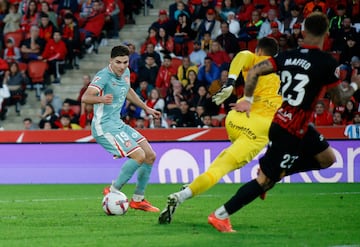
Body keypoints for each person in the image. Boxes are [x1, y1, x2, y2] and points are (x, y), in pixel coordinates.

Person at [207, 12, 360, 232]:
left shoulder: (288, 56)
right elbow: (340, 99)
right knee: (264, 181)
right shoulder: (327, 62)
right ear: (327, 33)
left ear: (303, 32)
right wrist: (355, 85)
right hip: (290, 130)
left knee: (328, 159)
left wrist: (248, 100)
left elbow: (255, 72)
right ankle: (220, 215)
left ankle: (276, 173)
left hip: (293, 124)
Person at [158, 37, 282, 224]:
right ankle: (183, 194)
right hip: (259, 129)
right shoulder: (279, 78)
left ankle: (184, 192)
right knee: (222, 168)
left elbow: (242, 55)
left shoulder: (253, 60)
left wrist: (231, 82)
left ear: (258, 50)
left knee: (221, 164)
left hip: (235, 117)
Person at [81, 45, 161, 212]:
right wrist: (102, 99)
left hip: (118, 123)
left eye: (125, 62)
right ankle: (113, 190)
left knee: (150, 155)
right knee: (139, 155)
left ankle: (138, 200)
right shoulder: (103, 76)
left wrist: (146, 108)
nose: (122, 66)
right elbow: (86, 97)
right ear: (111, 61)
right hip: (103, 126)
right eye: (118, 62)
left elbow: (128, 91)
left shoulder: (125, 73)